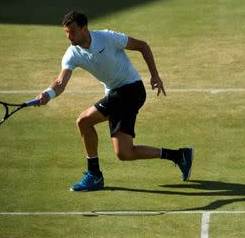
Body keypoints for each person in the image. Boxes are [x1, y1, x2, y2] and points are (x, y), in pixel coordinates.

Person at [36, 10, 193, 191]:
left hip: (131, 89)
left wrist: (155, 76)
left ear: (84, 29)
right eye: (66, 32)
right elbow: (60, 82)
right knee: (125, 153)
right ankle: (179, 155)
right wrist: (48, 93)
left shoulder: (107, 37)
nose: (69, 37)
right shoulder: (72, 54)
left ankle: (94, 176)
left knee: (84, 120)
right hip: (116, 94)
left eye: (72, 32)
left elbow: (143, 46)